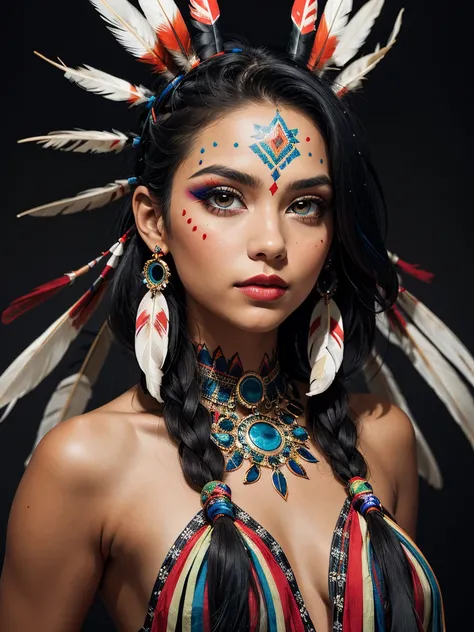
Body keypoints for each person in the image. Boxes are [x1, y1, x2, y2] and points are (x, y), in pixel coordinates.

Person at [2, 0, 464, 630]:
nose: (271, 241)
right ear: (154, 220)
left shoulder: (382, 439)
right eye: (224, 198)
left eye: (307, 205)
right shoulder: (87, 464)